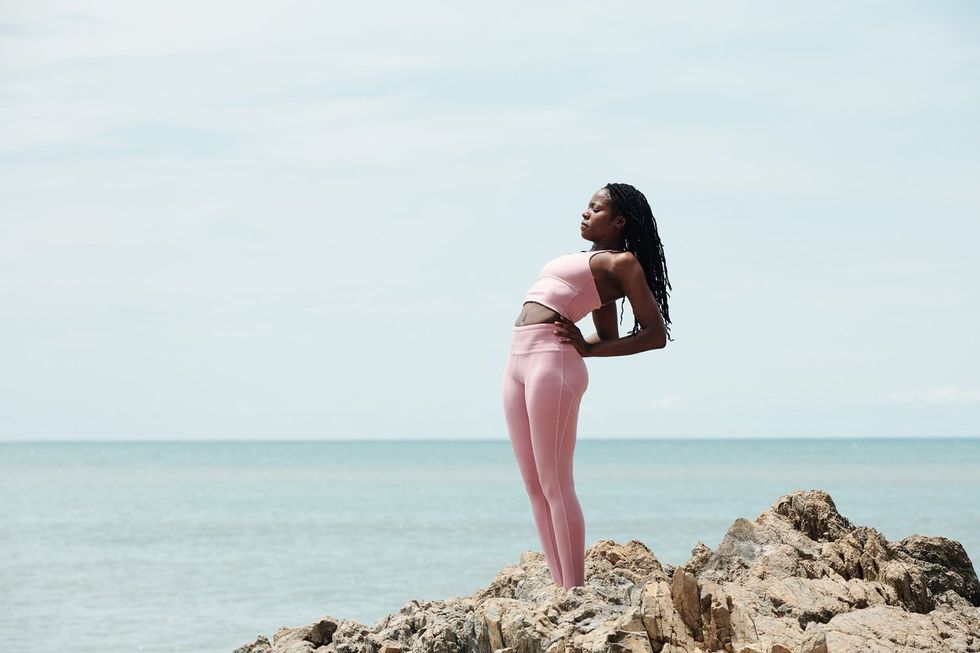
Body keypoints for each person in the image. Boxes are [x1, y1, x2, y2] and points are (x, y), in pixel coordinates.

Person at [501, 182, 673, 589]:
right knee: (534, 485)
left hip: (552, 364)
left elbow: (655, 334)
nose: (585, 213)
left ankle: (573, 591)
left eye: (595, 209)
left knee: (556, 483)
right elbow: (606, 330)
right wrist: (592, 344)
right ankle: (560, 582)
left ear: (618, 221)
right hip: (517, 360)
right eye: (586, 207)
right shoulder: (591, 262)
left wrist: (588, 353)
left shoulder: (622, 263)